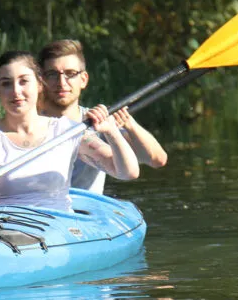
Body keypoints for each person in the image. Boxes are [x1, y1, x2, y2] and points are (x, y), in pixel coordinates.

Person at [0, 50, 139, 212]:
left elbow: (127, 172)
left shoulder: (67, 131)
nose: (16, 91)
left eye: (23, 81)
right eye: (6, 84)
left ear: (39, 85)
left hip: (57, 227)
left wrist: (112, 132)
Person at [37, 39, 168, 194]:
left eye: (70, 74)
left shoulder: (99, 123)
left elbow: (157, 160)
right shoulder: (26, 124)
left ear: (83, 79)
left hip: (86, 212)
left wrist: (129, 124)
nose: (61, 82)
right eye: (52, 74)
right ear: (42, 80)